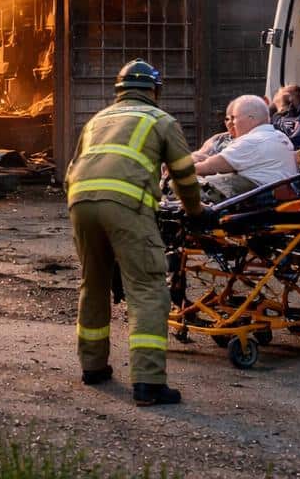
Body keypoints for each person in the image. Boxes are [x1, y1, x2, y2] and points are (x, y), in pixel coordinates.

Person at [66, 59, 207, 407]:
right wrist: (195, 212)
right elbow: (184, 173)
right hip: (126, 205)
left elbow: (73, 168)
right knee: (146, 289)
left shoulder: (97, 120)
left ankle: (93, 367)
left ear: (120, 91)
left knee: (93, 284)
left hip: (80, 202)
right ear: (154, 91)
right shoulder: (161, 121)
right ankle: (148, 383)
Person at [193, 95, 299, 201]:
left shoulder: (253, 141)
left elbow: (208, 167)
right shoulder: (279, 136)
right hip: (272, 195)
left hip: (254, 199)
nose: (232, 123)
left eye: (235, 118)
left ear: (250, 118)